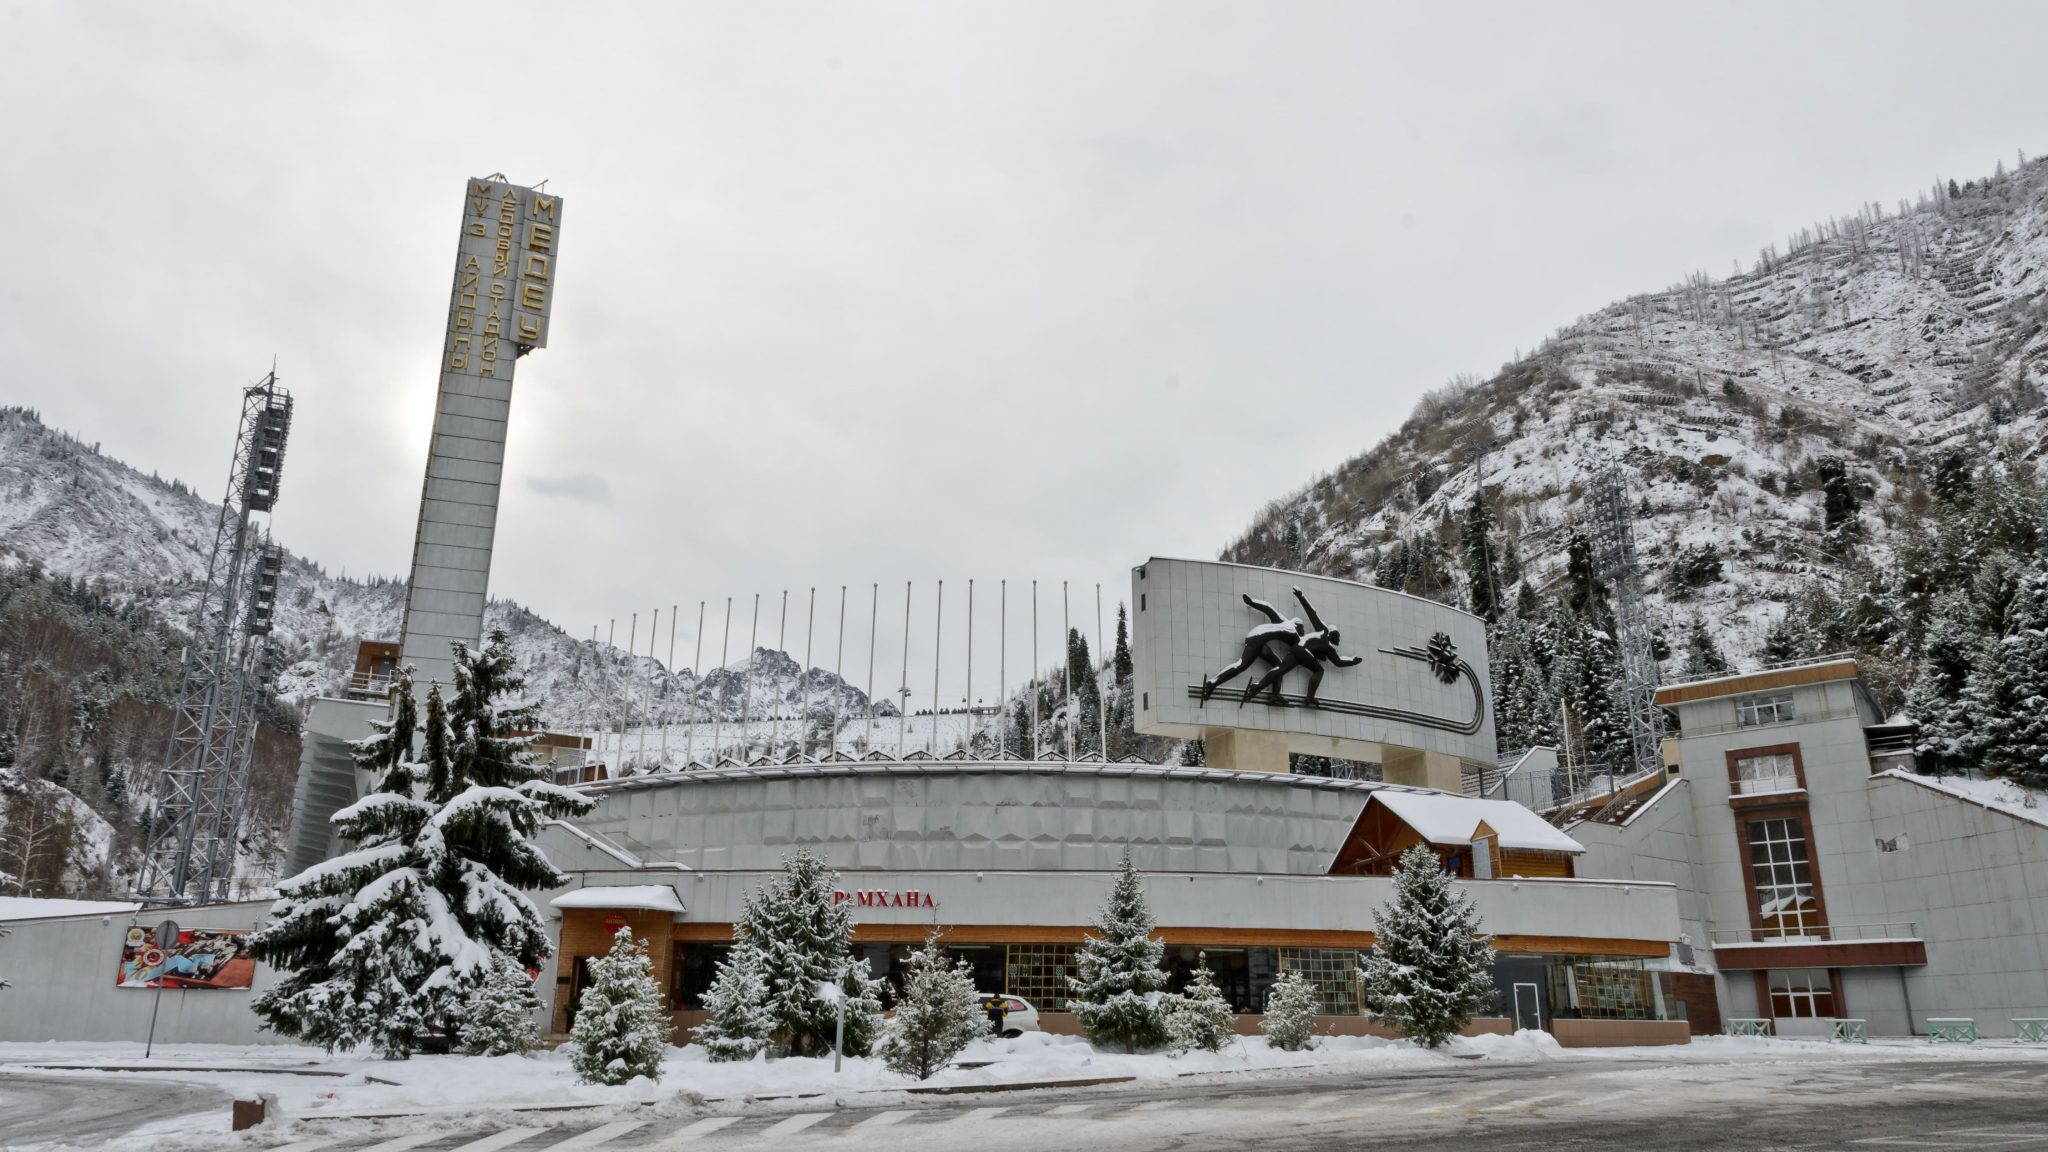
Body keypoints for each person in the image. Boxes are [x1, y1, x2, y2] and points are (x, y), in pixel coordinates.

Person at [1241, 587, 1362, 708]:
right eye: (1338, 637)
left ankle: (1257, 688)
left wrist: (1352, 661)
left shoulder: (1328, 647)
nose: (1338, 640)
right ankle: (1309, 697)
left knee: (1280, 669)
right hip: (1303, 652)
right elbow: (1311, 613)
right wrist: (1301, 597)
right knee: (1319, 670)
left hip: (1296, 649)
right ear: (1333, 634)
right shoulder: (1324, 632)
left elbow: (1339, 662)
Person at [1199, 594, 1307, 704]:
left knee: (1278, 665)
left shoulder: (1283, 622)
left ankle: (1275, 695)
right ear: (1298, 626)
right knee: (1242, 665)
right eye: (1302, 629)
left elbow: (1269, 608)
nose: (1303, 633)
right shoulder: (1293, 630)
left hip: (1259, 640)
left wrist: (1251, 602)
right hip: (1256, 639)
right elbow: (1302, 646)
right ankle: (1212, 683)